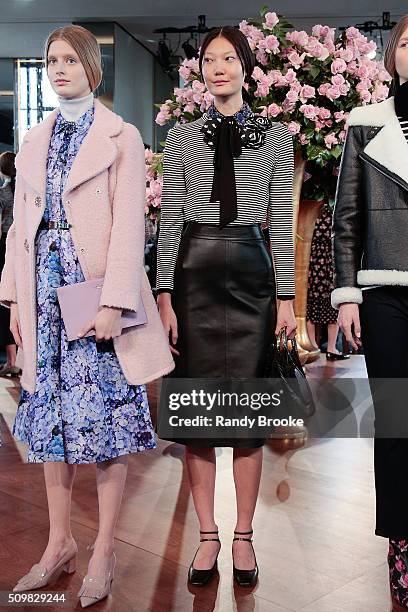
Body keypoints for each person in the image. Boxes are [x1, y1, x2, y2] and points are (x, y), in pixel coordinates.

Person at [0, 25, 173, 607]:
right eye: (51, 59)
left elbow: (131, 226)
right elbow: (19, 231)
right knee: (49, 422)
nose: (58, 68)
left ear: (92, 67)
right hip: (45, 295)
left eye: (71, 58)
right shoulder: (33, 141)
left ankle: (103, 550)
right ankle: (58, 544)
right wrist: (16, 301)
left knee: (103, 424)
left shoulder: (120, 137)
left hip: (94, 294)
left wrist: (114, 300)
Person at [156, 26, 296, 588]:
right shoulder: (181, 137)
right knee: (196, 418)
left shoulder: (277, 135)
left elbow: (282, 221)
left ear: (245, 66)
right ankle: (207, 537)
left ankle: (243, 538)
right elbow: (168, 217)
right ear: (201, 70)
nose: (219, 67)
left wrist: (287, 297)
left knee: (245, 418)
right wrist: (164, 294)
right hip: (193, 275)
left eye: (229, 58)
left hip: (253, 273)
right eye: (210, 59)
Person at [331, 14, 408, 609]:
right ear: (391, 57)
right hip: (386, 295)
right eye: (407, 43)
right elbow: (347, 221)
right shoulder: (364, 125)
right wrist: (348, 296)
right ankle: (403, 545)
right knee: (399, 423)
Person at [307, 203, 349, 360]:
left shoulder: (312, 215)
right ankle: (330, 348)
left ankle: (313, 347)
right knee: (330, 309)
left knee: (312, 309)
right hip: (329, 266)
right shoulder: (334, 216)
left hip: (314, 265)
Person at [0, 152, 19, 376]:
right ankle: (17, 358)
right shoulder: (23, 190)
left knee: (5, 304)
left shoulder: (3, 193)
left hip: (4, 249)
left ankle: (11, 360)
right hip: (24, 251)